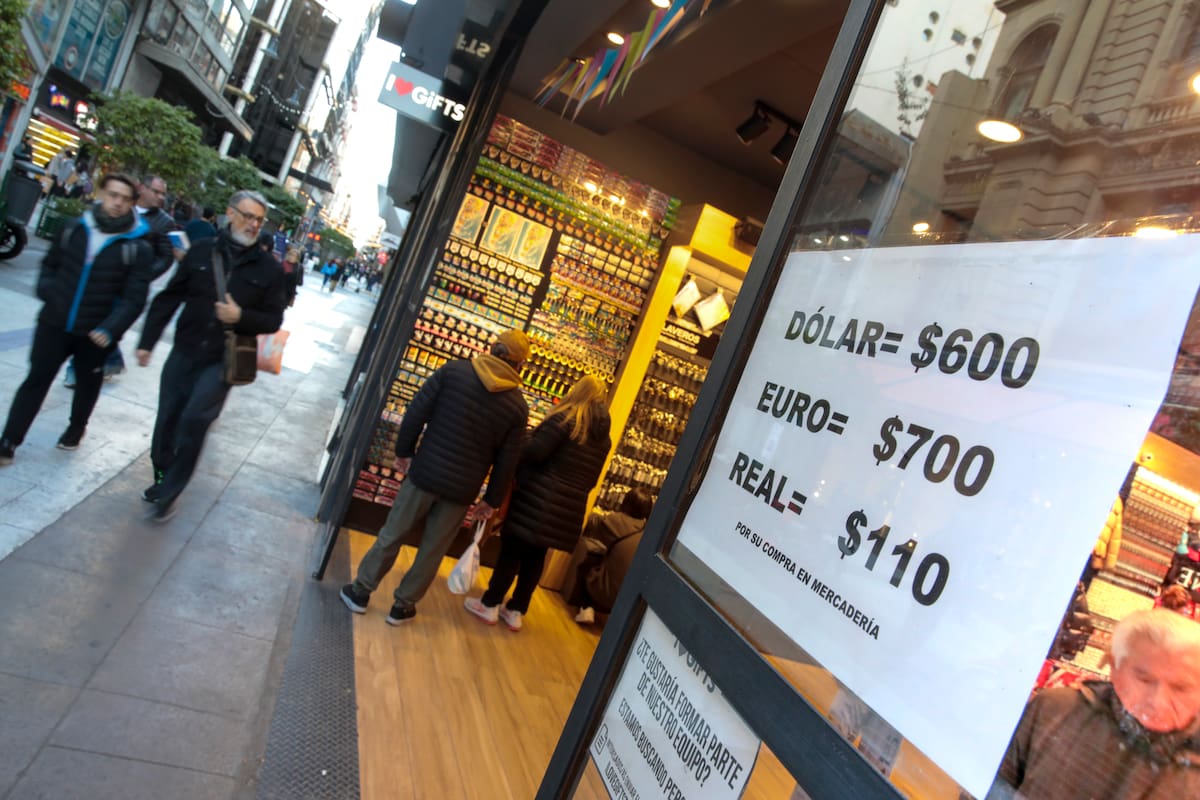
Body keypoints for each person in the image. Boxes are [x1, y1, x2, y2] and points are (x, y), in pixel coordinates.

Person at [340, 330, 530, 625]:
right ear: (520, 365)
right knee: (432, 550)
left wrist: (404, 451)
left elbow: (416, 412)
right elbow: (508, 461)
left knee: (393, 534)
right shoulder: (517, 406)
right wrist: (490, 500)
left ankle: (360, 592)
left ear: (493, 348)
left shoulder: (454, 372)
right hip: (461, 490)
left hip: (424, 473)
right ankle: (402, 607)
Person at [135, 189, 286, 521]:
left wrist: (241, 317)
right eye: (248, 216)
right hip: (185, 351)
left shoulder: (269, 269)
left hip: (222, 360)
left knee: (194, 421)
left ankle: (171, 491)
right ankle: (161, 476)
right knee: (167, 422)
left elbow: (274, 319)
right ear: (230, 214)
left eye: (259, 220)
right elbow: (169, 297)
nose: (253, 225)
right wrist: (146, 342)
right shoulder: (202, 251)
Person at [0, 173, 153, 464]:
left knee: (87, 383)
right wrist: (50, 292)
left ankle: (76, 427)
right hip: (54, 323)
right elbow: (49, 266)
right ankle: (8, 441)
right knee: (36, 380)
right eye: (112, 195)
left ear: (133, 203)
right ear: (101, 193)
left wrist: (110, 329)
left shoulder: (137, 248)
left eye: (124, 198)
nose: (117, 203)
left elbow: (135, 299)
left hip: (95, 333)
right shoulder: (74, 229)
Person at [987, 608, 1200, 799]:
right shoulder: (1054, 709)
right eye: (1144, 679)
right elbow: (991, 786)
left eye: (1181, 687)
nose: (1157, 701)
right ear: (1113, 666)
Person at [465, 375, 612, 631]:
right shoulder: (603, 439)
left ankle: (490, 604)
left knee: (512, 551)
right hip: (566, 508)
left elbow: (534, 453)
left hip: (535, 498)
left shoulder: (565, 420)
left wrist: (525, 437)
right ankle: (516, 610)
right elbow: (591, 480)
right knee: (536, 557)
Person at [568, 488, 654, 625]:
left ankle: (586, 607)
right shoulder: (648, 531)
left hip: (606, 595)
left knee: (588, 563)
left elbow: (593, 523)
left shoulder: (615, 520)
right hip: (630, 598)